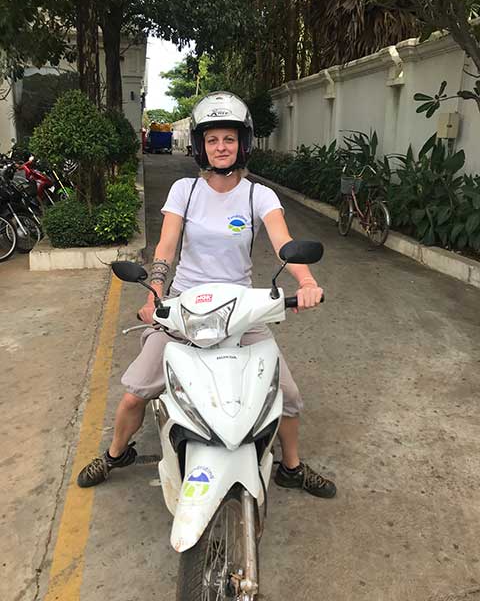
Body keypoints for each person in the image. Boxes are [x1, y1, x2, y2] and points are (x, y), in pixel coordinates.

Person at [78, 91, 336, 498]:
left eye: (229, 139)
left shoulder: (258, 195)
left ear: (243, 144)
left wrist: (306, 283)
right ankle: (115, 454)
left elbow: (284, 240)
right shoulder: (184, 191)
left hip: (241, 310)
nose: (221, 147)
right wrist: (155, 294)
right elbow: (165, 247)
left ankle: (291, 466)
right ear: (200, 145)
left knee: (286, 395)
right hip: (184, 306)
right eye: (213, 139)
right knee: (135, 394)